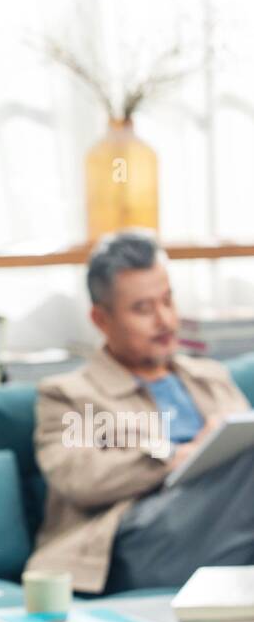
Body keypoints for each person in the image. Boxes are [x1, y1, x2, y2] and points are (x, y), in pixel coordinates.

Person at [24, 229, 254, 595]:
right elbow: (79, 479)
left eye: (167, 301)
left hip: (220, 529)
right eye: (143, 309)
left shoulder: (211, 376)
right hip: (128, 543)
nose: (164, 320)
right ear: (101, 320)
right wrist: (175, 456)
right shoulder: (67, 396)